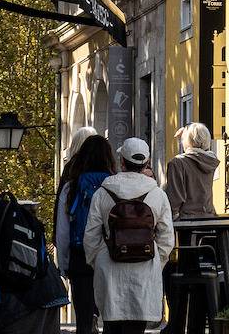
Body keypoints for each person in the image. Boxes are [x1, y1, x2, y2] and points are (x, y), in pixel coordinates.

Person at [83, 135, 175, 334]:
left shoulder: (103, 193)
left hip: (110, 269)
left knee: (111, 327)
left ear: (122, 161)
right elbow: (167, 238)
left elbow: (91, 236)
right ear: (146, 163)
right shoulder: (158, 194)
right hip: (144, 271)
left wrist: (98, 261)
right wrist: (155, 263)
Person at [56, 133, 118, 334]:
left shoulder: (71, 187)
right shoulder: (117, 186)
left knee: (83, 320)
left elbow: (63, 231)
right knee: (111, 317)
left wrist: (64, 264)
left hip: (80, 256)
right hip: (111, 256)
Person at [164, 121, 219, 220]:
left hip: (186, 219)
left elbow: (175, 197)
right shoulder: (210, 161)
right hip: (208, 216)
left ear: (186, 140)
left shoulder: (177, 163)